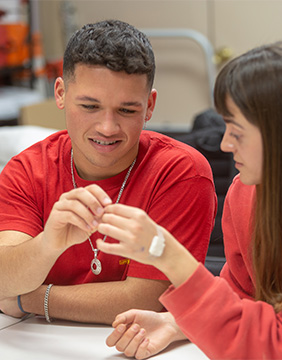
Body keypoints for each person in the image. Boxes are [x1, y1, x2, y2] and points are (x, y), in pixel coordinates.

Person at [95, 41, 282, 359]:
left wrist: (166, 254)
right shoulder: (246, 193)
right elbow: (244, 300)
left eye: (237, 131)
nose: (224, 144)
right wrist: (176, 323)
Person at [0, 20, 217, 325]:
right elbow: (3, 276)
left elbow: (148, 299)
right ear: (60, 93)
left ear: (150, 105)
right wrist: (48, 244)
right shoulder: (27, 169)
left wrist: (28, 299)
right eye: (89, 106)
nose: (107, 127)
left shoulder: (181, 171)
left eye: (127, 110)